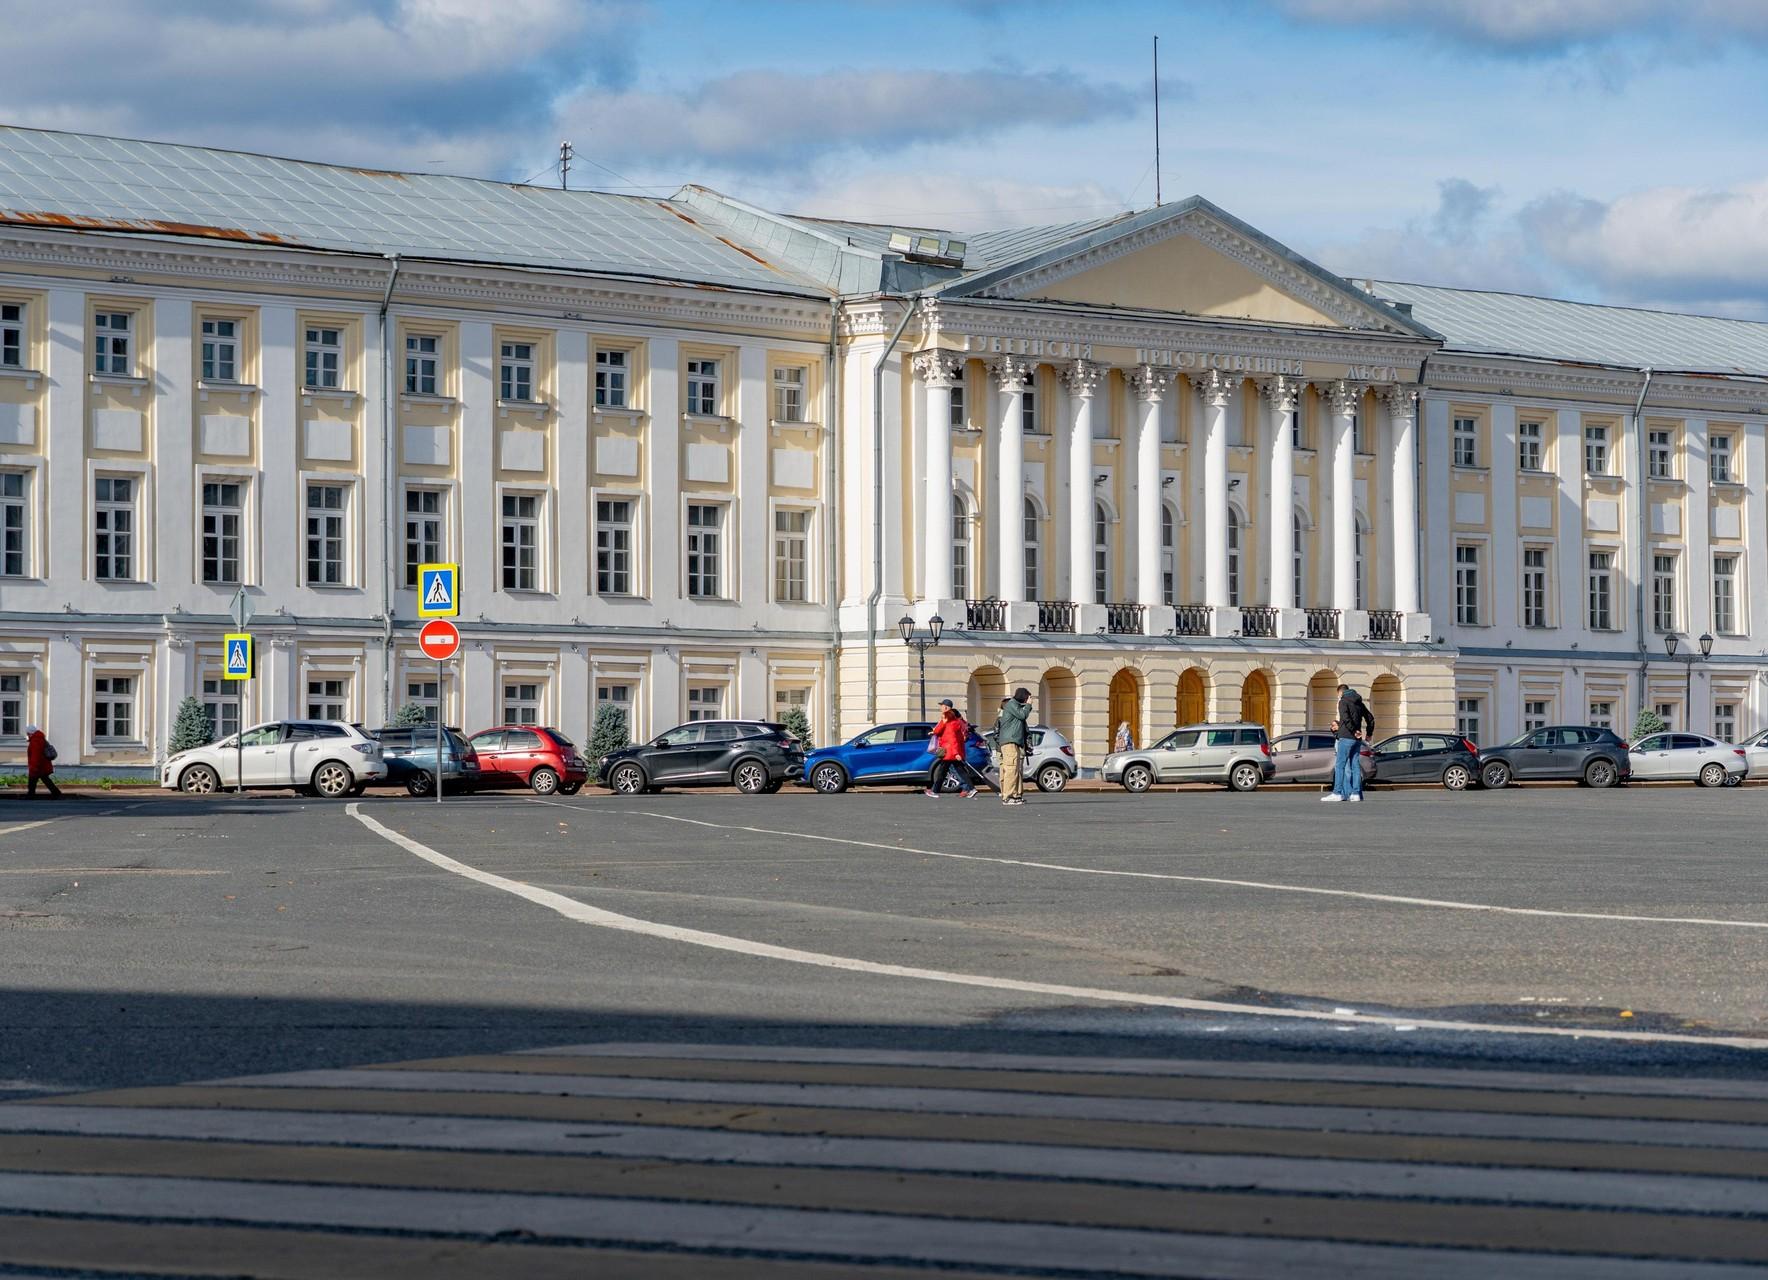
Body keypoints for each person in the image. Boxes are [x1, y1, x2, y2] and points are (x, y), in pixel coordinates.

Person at [1323, 682, 1375, 803]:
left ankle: (1337, 793)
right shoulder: (1359, 703)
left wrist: (1353, 730)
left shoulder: (1343, 702)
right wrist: (1369, 734)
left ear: (1340, 692)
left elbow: (1345, 719)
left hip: (1346, 737)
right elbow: (1370, 719)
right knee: (1355, 765)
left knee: (1340, 765)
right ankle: (1356, 794)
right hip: (1356, 740)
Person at [925, 701, 980, 798]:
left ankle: (934, 791)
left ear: (946, 709)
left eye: (942, 706)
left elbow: (952, 740)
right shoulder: (953, 723)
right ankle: (971, 789)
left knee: (942, 772)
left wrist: (956, 753)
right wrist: (934, 732)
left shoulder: (950, 725)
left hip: (950, 753)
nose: (940, 708)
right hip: (950, 752)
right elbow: (938, 730)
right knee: (959, 771)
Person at [995, 686, 1033, 807]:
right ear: (1024, 696)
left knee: (1016, 770)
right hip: (1009, 742)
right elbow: (1023, 715)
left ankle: (1015, 795)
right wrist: (1028, 705)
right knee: (1011, 769)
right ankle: (1007, 796)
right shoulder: (1011, 704)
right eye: (1029, 697)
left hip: (1015, 742)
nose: (1030, 700)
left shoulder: (1015, 706)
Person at [25, 724, 61, 799]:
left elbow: (36, 755)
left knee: (33, 780)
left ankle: (31, 795)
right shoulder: (40, 738)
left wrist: (34, 767)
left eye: (27, 733)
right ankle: (56, 793)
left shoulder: (35, 741)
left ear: (30, 733)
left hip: (39, 766)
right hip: (42, 764)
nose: (27, 735)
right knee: (44, 779)